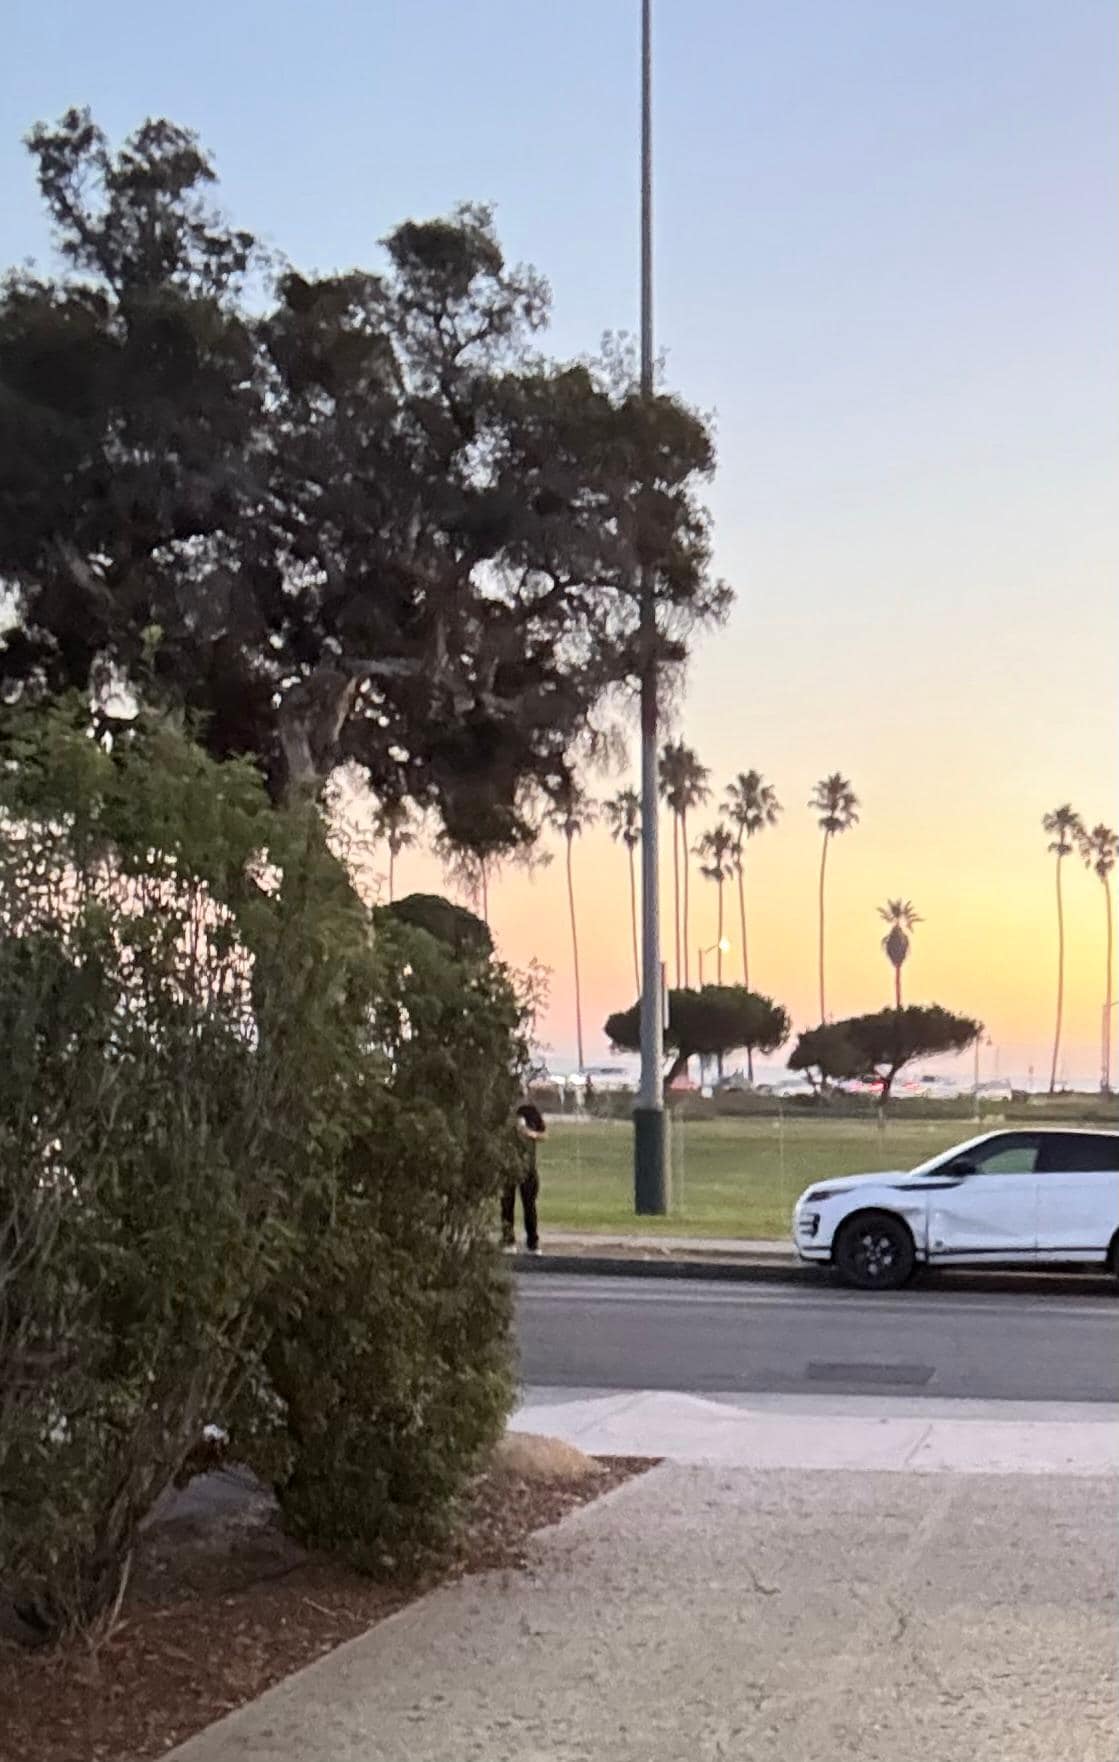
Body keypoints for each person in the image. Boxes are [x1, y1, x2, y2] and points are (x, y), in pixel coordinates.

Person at [501, 1102, 546, 1254]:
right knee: (507, 1205)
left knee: (529, 1206)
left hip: (528, 1168)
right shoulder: (504, 1110)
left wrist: (531, 1134)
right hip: (508, 1166)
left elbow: (544, 1134)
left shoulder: (531, 1111)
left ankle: (533, 1242)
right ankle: (508, 1241)